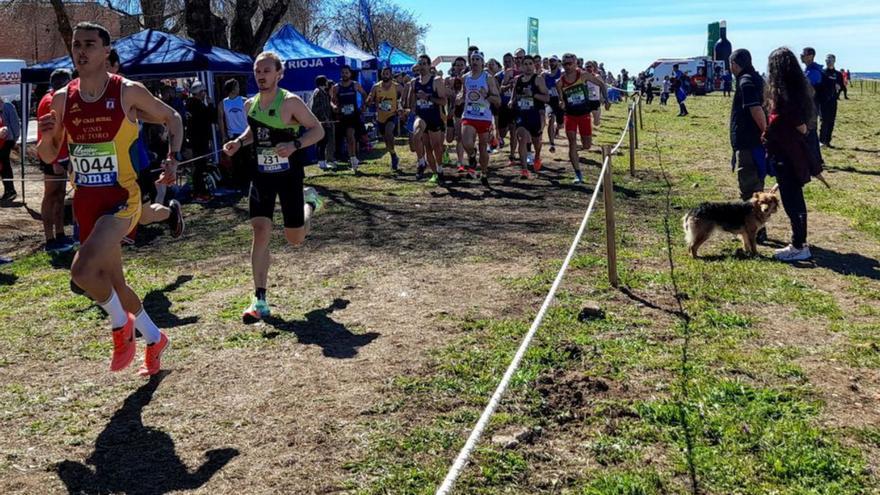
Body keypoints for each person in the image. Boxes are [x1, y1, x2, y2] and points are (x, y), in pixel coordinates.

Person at [37, 22, 182, 375]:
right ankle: (154, 337)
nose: (81, 51)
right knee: (115, 283)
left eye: (89, 45)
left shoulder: (127, 91)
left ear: (106, 52)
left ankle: (120, 327)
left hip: (122, 199)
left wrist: (172, 157)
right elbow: (47, 154)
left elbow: (172, 117)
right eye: (76, 45)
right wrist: (46, 137)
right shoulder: (61, 99)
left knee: (83, 273)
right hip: (86, 201)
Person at [221, 51, 325, 323]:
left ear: (279, 74)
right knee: (260, 230)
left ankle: (309, 204)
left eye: (267, 71)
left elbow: (318, 130)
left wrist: (294, 145)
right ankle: (259, 299)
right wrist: (239, 143)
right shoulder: (249, 104)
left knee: (295, 239)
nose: (261, 75)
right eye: (257, 70)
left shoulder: (290, 102)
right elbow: (254, 132)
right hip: (261, 176)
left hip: (289, 176)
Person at [763, 47, 822, 262]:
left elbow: (799, 124)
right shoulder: (797, 91)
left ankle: (799, 244)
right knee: (793, 197)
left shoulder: (785, 94)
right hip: (788, 152)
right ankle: (799, 242)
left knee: (792, 199)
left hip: (787, 154)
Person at [728, 49, 769, 243]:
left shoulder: (745, 82)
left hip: (750, 142)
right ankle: (756, 228)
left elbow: (756, 109)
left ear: (734, 64)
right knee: (756, 184)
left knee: (749, 187)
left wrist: (765, 132)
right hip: (753, 142)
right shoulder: (756, 78)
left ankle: (754, 230)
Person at [37, 69, 75, 252]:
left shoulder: (62, 100)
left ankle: (60, 233)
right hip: (52, 155)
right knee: (51, 195)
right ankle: (50, 238)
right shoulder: (51, 102)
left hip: (63, 154)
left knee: (60, 195)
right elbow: (48, 135)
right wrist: (56, 160)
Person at [556, 53, 606, 184]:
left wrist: (606, 99)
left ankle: (580, 150)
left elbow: (602, 84)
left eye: (570, 63)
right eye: (564, 64)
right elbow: (561, 99)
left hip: (584, 115)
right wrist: (561, 103)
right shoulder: (560, 82)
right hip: (570, 115)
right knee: (572, 142)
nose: (567, 66)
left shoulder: (583, 75)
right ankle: (578, 174)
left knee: (587, 145)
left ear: (576, 63)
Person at [458, 51, 500, 185]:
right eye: (473, 59)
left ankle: (484, 173)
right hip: (469, 114)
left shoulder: (488, 78)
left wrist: (486, 95)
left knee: (483, 148)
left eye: (477, 59)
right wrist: (459, 98)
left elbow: (497, 100)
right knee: (466, 143)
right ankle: (471, 154)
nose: (475, 62)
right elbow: (462, 93)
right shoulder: (465, 78)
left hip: (484, 117)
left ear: (482, 62)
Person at [407, 54, 447, 184]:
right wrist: (408, 107)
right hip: (421, 116)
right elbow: (411, 103)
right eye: (421, 63)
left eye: (425, 63)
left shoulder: (436, 81)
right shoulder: (414, 82)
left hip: (434, 117)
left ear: (430, 66)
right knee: (416, 136)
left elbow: (443, 101)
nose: (423, 66)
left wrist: (428, 97)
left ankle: (439, 169)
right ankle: (422, 163)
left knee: (435, 147)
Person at [511, 55, 549, 179]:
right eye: (525, 64)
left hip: (535, 115)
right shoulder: (518, 79)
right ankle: (524, 169)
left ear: (534, 65)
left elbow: (546, 98)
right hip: (521, 114)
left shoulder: (538, 79)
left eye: (530, 64)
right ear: (521, 66)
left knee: (536, 141)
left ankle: (537, 155)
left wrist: (533, 94)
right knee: (522, 138)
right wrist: (511, 101)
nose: (528, 67)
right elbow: (514, 93)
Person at [330, 65, 367, 173]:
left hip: (354, 115)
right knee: (347, 138)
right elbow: (332, 100)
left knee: (351, 137)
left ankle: (354, 160)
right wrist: (334, 107)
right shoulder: (336, 87)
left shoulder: (355, 85)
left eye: (346, 73)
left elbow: (364, 94)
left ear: (350, 74)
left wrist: (364, 106)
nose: (344, 74)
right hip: (343, 115)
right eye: (343, 73)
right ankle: (352, 159)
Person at [366, 66, 402, 172]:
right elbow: (370, 98)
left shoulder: (397, 86)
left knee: (389, 131)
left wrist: (401, 106)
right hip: (380, 116)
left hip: (392, 114)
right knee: (386, 139)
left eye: (387, 73)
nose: (385, 75)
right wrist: (368, 100)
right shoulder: (376, 87)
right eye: (383, 73)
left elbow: (405, 95)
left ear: (390, 74)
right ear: (381, 74)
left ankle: (393, 155)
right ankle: (393, 155)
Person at [185, 81, 217, 202]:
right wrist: (210, 105)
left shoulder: (189, 104)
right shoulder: (198, 105)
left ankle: (199, 191)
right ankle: (200, 192)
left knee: (198, 167)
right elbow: (211, 118)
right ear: (200, 92)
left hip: (195, 140)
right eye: (203, 91)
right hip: (199, 140)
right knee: (199, 167)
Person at [218, 79, 249, 192]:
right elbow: (220, 120)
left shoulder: (245, 101)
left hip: (245, 135)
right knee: (235, 161)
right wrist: (223, 135)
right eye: (236, 86)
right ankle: (238, 183)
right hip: (232, 135)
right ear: (231, 89)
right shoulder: (223, 103)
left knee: (247, 159)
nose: (239, 88)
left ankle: (247, 182)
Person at [800, 47, 824, 165]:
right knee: (810, 131)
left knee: (810, 131)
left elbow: (809, 90)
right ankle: (815, 159)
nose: (801, 56)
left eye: (803, 54)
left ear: (810, 56)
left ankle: (814, 160)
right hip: (809, 105)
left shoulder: (813, 72)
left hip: (811, 106)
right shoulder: (809, 70)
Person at [310, 75, 336, 171]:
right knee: (322, 141)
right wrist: (325, 119)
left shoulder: (322, 92)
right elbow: (320, 108)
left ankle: (322, 161)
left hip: (324, 120)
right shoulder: (319, 92)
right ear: (324, 82)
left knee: (323, 142)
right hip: (321, 121)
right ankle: (321, 162)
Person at [0, 97, 21, 202]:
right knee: (3, 164)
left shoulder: (8, 106)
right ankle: (9, 189)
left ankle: (10, 190)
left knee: (4, 164)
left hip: (7, 139)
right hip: (3, 139)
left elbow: (15, 123)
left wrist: (15, 138)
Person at [820, 54, 842, 148]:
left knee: (831, 121)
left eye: (830, 60)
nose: (829, 62)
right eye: (827, 60)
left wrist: (839, 87)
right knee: (824, 121)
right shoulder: (822, 72)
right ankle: (821, 141)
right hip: (823, 101)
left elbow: (841, 85)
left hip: (833, 100)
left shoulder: (838, 74)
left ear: (834, 61)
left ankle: (828, 141)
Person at [544, 55, 564, 153]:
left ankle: (557, 127)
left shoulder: (562, 73)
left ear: (557, 62)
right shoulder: (545, 74)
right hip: (549, 100)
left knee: (561, 123)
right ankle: (552, 143)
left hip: (559, 100)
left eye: (553, 61)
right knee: (551, 118)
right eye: (550, 61)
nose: (552, 63)